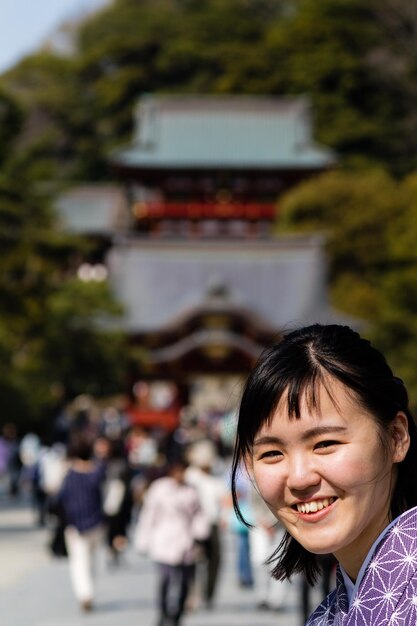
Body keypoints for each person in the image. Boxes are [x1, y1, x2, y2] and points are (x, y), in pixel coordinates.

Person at [231, 323, 417, 625]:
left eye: (325, 443)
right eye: (272, 453)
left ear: (396, 437)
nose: (300, 477)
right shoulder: (327, 617)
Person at [134, 456, 209, 626]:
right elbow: (148, 516)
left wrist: (200, 533)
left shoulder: (191, 491)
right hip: (163, 537)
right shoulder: (159, 489)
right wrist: (144, 538)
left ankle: (178, 613)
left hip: (185, 539)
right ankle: (163, 611)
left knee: (185, 580)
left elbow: (199, 515)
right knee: (165, 578)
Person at [58, 432, 106, 612]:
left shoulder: (69, 474)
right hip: (96, 523)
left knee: (79, 562)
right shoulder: (98, 471)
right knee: (92, 561)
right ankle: (90, 591)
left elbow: (60, 498)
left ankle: (85, 594)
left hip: (76, 525)